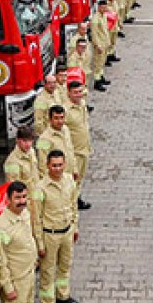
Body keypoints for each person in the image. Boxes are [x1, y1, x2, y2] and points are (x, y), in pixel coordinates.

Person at [33, 150, 82, 303]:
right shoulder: (40, 189)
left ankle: (63, 295)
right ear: (47, 166)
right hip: (50, 235)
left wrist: (75, 227)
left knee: (65, 266)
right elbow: (36, 219)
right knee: (47, 272)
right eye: (54, 165)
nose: (57, 168)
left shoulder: (69, 180)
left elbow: (73, 205)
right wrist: (39, 243)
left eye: (60, 165)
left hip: (67, 232)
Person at [63, 81, 93, 211]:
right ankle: (70, 203)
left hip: (84, 148)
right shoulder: (65, 111)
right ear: (68, 93)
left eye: (80, 92)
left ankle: (77, 198)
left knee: (80, 178)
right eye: (75, 93)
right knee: (72, 179)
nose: (79, 95)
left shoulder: (82, 104)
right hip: (74, 152)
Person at [36, 105, 79, 182]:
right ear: (50, 119)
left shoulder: (66, 129)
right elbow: (42, 166)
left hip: (69, 178)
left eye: (62, 117)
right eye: (56, 118)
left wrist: (74, 169)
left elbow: (71, 150)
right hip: (56, 179)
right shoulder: (43, 140)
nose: (59, 121)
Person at [89, 0, 112, 92]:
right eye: (102, 7)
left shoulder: (104, 16)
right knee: (98, 64)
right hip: (100, 44)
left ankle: (101, 77)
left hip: (105, 42)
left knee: (102, 62)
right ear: (98, 7)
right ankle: (97, 81)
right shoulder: (95, 19)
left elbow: (105, 30)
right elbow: (94, 34)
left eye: (105, 7)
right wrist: (97, 45)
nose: (104, 8)